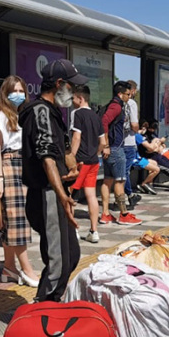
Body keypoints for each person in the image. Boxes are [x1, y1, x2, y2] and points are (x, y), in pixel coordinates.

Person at [20, 59, 86, 302]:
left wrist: (72, 169)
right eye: (72, 86)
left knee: (72, 255)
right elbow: (47, 157)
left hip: (57, 193)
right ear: (59, 84)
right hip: (47, 194)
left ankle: (51, 303)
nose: (74, 92)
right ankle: (42, 307)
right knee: (58, 262)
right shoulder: (40, 112)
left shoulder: (53, 112)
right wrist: (61, 195)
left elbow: (63, 151)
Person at [0, 75, 38, 287]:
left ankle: (9, 267)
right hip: (10, 164)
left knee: (13, 219)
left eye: (21, 91)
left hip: (21, 164)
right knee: (17, 219)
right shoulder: (1, 116)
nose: (18, 95)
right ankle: (27, 270)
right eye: (14, 91)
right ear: (5, 93)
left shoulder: (19, 115)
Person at [100, 81, 141, 226]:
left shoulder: (113, 105)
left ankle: (105, 214)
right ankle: (124, 214)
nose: (129, 97)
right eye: (127, 94)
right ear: (120, 94)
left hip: (111, 148)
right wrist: (106, 144)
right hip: (116, 148)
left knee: (108, 180)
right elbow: (104, 122)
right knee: (120, 181)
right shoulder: (116, 106)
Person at [69, 85, 106, 243]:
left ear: (80, 98)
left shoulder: (76, 113)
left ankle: (74, 230)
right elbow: (103, 142)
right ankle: (94, 231)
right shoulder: (96, 116)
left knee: (70, 195)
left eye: (73, 98)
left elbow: (76, 137)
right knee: (91, 195)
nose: (72, 101)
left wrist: (71, 157)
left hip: (80, 161)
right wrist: (95, 153)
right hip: (93, 161)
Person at [122, 80, 141, 200]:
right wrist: (138, 130)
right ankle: (130, 194)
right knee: (125, 171)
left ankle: (124, 196)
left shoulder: (118, 103)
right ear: (132, 90)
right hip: (129, 142)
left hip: (118, 142)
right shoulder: (132, 103)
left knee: (120, 172)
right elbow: (134, 124)